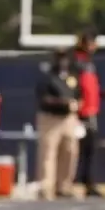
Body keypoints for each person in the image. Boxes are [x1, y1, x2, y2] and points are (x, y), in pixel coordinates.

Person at [73, 27, 105, 199]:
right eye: (92, 42)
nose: (95, 46)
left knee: (89, 150)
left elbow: (91, 89)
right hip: (80, 112)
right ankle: (75, 182)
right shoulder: (76, 62)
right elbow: (73, 87)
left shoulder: (88, 63)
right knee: (77, 150)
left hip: (91, 111)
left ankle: (88, 182)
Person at [35, 49, 81, 199]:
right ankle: (46, 186)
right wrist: (63, 103)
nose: (63, 62)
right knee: (48, 153)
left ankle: (64, 186)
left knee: (69, 151)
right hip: (51, 118)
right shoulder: (48, 77)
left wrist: (77, 104)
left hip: (68, 119)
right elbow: (44, 98)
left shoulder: (72, 77)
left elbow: (79, 94)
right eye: (60, 58)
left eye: (65, 58)